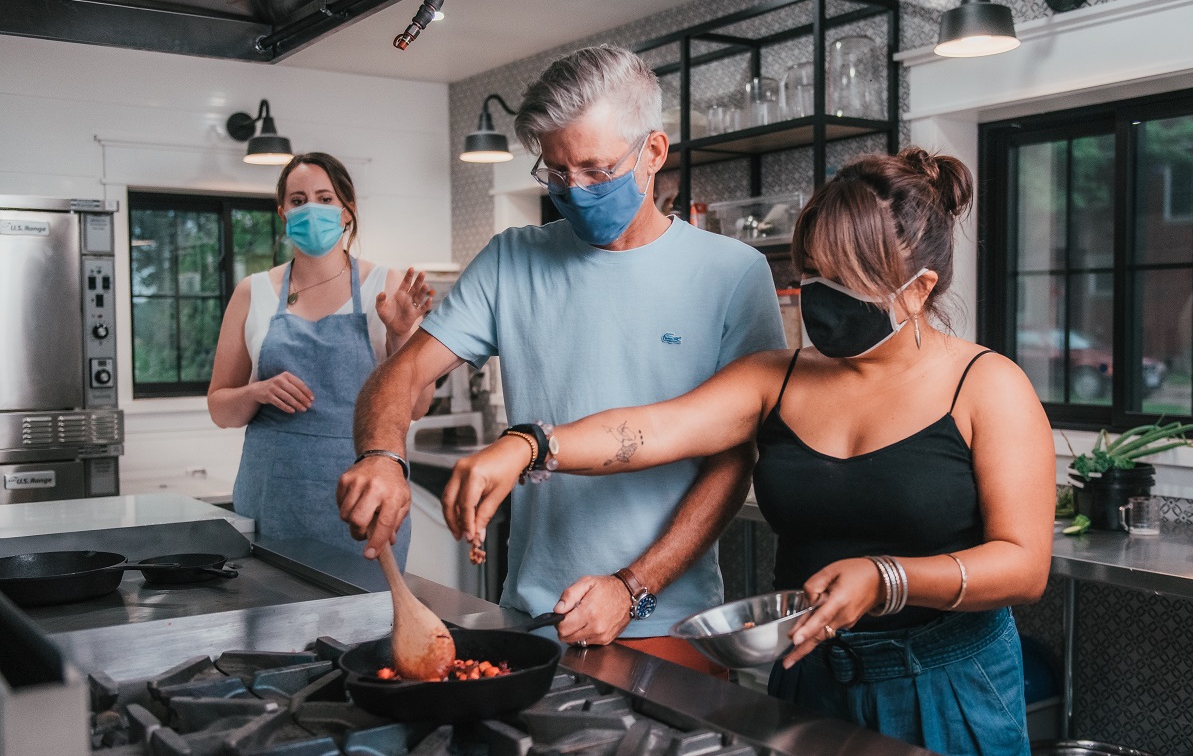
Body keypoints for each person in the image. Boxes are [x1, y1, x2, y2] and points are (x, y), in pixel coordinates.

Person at [442, 148, 1055, 756]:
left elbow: (1024, 567)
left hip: (946, 683)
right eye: (811, 272)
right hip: (809, 674)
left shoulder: (986, 385)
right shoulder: (775, 377)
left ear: (918, 290)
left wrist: (888, 578)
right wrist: (532, 445)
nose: (819, 296)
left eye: (845, 282)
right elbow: (654, 430)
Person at [336, 44, 786, 675]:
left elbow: (735, 458)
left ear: (653, 153)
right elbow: (402, 372)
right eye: (557, 173)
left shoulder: (733, 273)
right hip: (532, 617)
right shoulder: (511, 259)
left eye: (597, 171)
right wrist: (381, 454)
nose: (574, 192)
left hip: (667, 623)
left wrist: (633, 588)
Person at [209, 152, 433, 562]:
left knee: (366, 621)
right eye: (297, 200)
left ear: (348, 212)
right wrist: (257, 391)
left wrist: (400, 335)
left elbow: (417, 406)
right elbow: (221, 409)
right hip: (269, 506)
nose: (311, 209)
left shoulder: (386, 286)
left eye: (325, 198)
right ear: (283, 213)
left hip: (363, 503)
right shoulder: (252, 292)